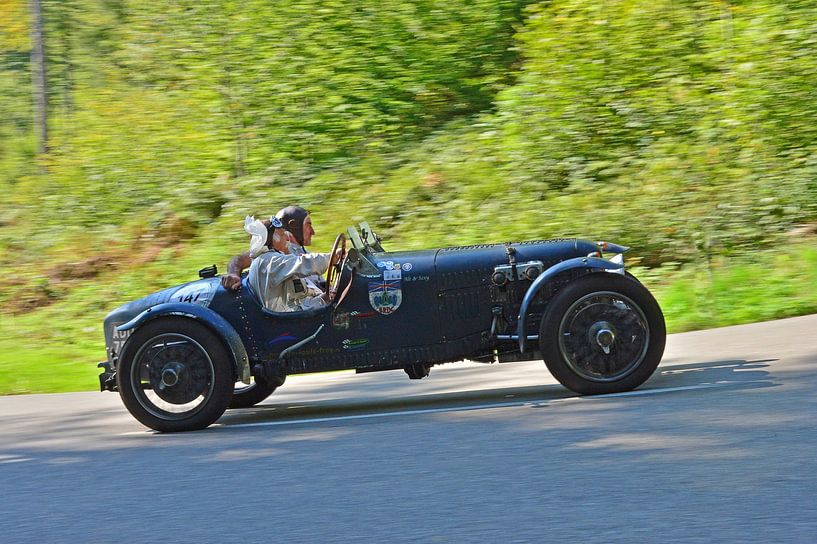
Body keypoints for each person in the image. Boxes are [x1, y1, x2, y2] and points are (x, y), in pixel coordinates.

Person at [244, 216, 334, 312]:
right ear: (272, 239)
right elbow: (303, 264)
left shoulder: (268, 258)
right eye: (282, 235)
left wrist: (322, 298)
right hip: (290, 321)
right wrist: (332, 258)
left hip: (294, 311)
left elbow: (298, 295)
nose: (287, 238)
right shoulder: (269, 261)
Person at [221, 205, 317, 291]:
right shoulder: (272, 255)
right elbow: (239, 260)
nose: (313, 232)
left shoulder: (306, 253)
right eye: (308, 225)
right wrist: (233, 274)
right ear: (294, 225)